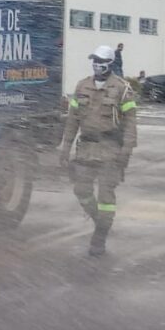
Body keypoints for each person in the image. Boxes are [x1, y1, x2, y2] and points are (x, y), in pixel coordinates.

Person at [60, 45, 138, 257]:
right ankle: (98, 221)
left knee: (106, 196)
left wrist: (126, 152)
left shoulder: (122, 89)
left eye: (101, 61)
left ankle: (100, 237)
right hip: (86, 148)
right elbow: (72, 120)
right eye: (94, 60)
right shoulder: (82, 86)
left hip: (110, 150)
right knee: (81, 191)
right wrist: (65, 147)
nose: (96, 64)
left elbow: (130, 125)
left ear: (110, 64)